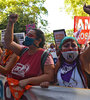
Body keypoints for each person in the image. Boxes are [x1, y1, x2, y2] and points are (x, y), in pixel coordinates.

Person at [4, 13, 55, 88]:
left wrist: (28, 81)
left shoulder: (45, 55)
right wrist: (11, 23)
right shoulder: (23, 51)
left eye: (30, 35)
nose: (27, 37)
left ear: (38, 41)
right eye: (27, 35)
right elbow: (9, 42)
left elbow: (50, 76)